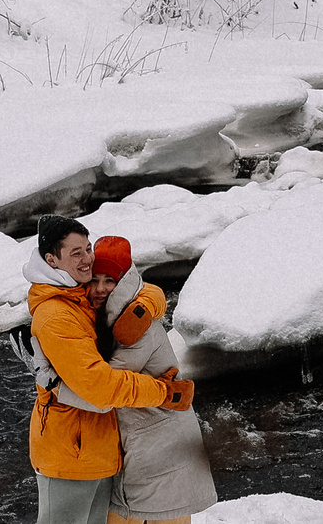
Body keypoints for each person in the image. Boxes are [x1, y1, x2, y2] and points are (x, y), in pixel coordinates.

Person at [21, 217, 194, 524]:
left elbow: (134, 286)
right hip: (69, 453)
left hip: (99, 450)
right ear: (52, 260)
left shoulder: (80, 292)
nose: (87, 258)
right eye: (76, 253)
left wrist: (150, 303)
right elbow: (100, 389)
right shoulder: (57, 314)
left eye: (88, 248)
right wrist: (163, 391)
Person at [85, 235, 217, 524]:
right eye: (95, 279)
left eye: (110, 280)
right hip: (149, 436)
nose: (100, 288)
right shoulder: (113, 314)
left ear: (123, 282)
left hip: (159, 440)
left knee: (163, 513)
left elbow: (105, 385)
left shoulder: (134, 324)